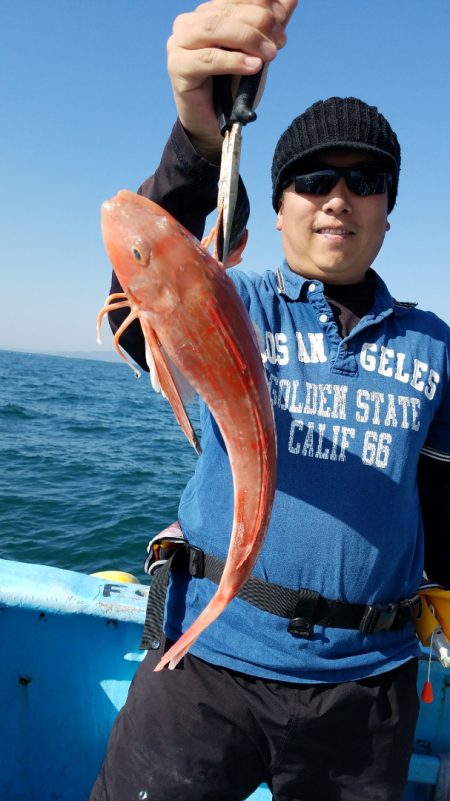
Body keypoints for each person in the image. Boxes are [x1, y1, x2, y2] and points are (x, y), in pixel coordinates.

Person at [90, 2, 450, 800]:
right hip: (206, 662)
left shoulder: (435, 345)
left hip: (366, 688)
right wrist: (195, 133)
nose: (337, 198)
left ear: (390, 208)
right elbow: (144, 298)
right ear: (280, 202)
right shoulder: (232, 299)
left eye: (365, 180)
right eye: (314, 179)